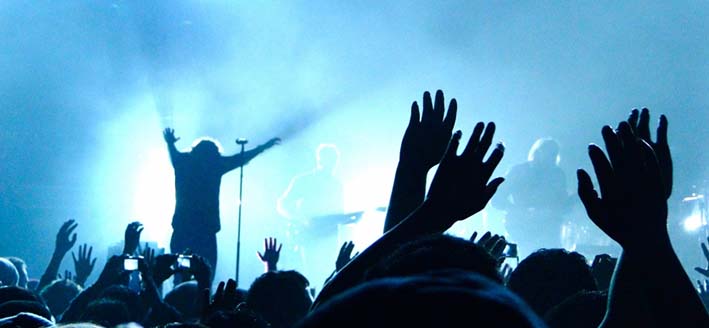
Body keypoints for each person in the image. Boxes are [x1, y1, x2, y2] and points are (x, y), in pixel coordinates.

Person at [163, 128, 280, 271]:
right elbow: (241, 158)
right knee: (206, 274)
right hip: (206, 231)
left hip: (183, 228)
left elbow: (174, 153)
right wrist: (263, 147)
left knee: (181, 274)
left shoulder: (184, 163)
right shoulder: (214, 164)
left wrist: (170, 142)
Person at [492, 138, 575, 255]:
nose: (550, 157)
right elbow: (497, 199)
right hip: (522, 230)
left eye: (553, 154)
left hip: (549, 231)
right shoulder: (519, 171)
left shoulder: (558, 174)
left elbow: (562, 205)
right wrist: (517, 210)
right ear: (537, 152)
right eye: (548, 153)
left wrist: (569, 203)